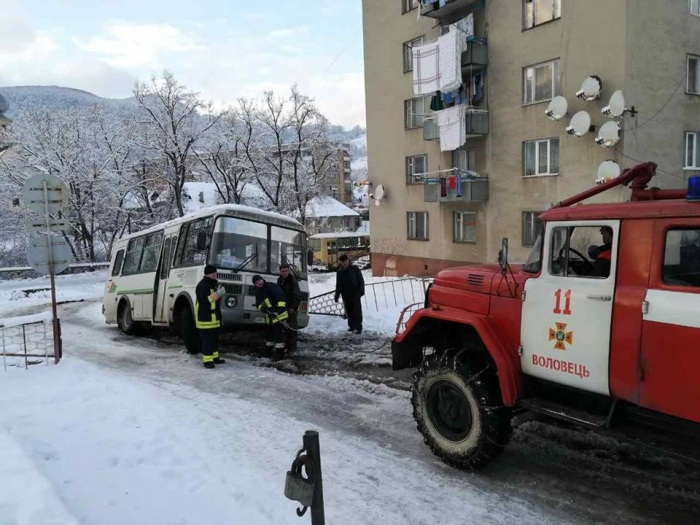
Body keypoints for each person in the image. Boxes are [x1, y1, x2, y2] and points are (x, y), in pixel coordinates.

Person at [195, 265, 226, 369]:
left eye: (215, 273)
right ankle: (207, 361)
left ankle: (215, 358)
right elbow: (204, 301)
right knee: (207, 341)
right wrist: (218, 294)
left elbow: (216, 303)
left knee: (214, 340)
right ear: (207, 273)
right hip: (205, 319)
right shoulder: (202, 285)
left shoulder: (213, 284)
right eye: (213, 273)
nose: (215, 274)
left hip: (214, 319)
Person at [252, 275, 288, 361]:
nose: (259, 283)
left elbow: (281, 298)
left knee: (278, 337)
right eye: (257, 282)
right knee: (269, 337)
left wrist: (277, 310)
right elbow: (258, 305)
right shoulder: (258, 292)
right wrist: (263, 309)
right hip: (270, 317)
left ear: (262, 279)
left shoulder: (271, 286)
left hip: (280, 316)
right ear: (255, 285)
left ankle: (280, 355)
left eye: (259, 280)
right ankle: (267, 353)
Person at [334, 255, 365, 334]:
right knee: (349, 311)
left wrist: (361, 290)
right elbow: (338, 285)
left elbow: (361, 280)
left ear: (348, 261)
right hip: (346, 294)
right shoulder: (340, 272)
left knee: (357, 311)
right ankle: (351, 326)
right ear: (340, 263)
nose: (345, 263)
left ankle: (358, 327)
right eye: (343, 262)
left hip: (355, 293)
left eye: (346, 261)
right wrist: (337, 295)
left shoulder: (354, 269)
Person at [277, 263, 302, 354]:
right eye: (282, 271)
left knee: (292, 328)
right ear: (280, 272)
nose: (284, 273)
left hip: (291, 308)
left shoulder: (292, 281)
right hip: (283, 308)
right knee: (285, 328)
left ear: (289, 271)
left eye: (286, 271)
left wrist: (293, 307)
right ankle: (286, 345)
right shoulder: (279, 280)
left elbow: (297, 295)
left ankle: (292, 347)